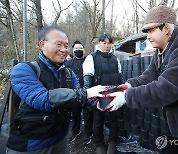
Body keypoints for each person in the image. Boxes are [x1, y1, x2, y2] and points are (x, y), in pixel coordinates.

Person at [6, 25, 105, 154]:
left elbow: (79, 99)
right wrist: (85, 93)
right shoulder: (24, 70)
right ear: (42, 44)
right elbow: (42, 99)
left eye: (66, 45)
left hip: (60, 139)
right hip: (31, 144)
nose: (64, 50)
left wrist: (104, 102)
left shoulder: (69, 73)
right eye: (59, 45)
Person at [103, 2, 178, 153]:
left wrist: (126, 97)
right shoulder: (160, 51)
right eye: (146, 32)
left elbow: (166, 88)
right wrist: (129, 85)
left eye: (151, 31)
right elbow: (149, 76)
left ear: (166, 29)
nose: (148, 37)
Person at [83, 33, 122, 154]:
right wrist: (92, 98)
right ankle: (99, 144)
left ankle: (112, 141)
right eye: (104, 43)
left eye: (109, 43)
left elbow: (120, 76)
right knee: (98, 121)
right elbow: (87, 79)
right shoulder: (92, 58)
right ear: (99, 43)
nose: (106, 45)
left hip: (114, 94)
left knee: (114, 120)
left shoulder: (115, 58)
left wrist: (121, 92)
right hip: (99, 95)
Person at [66, 40, 86, 142]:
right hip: (75, 92)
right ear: (73, 51)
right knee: (75, 113)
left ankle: (89, 132)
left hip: (87, 91)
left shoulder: (89, 61)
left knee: (88, 114)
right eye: (76, 49)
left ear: (84, 50)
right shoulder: (68, 63)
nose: (78, 50)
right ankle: (75, 131)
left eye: (80, 49)